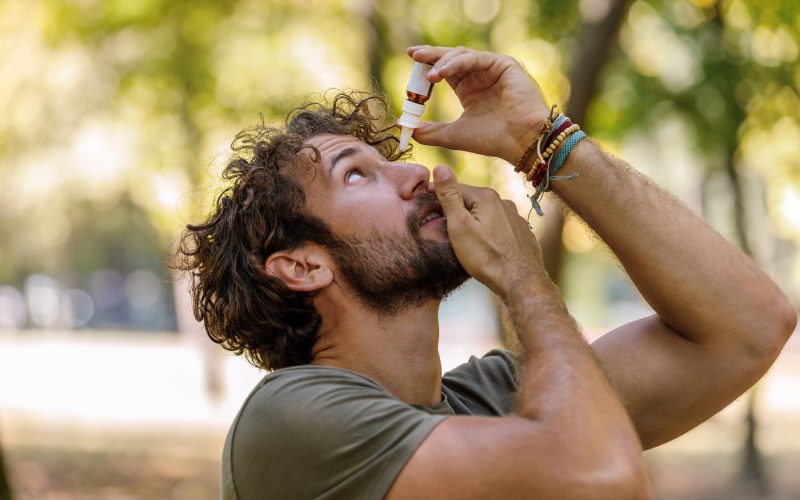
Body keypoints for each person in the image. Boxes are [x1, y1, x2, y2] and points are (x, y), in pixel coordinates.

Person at [176, 45, 796, 499]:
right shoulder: (292, 419)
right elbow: (599, 477)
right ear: (303, 265)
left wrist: (541, 142)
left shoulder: (496, 396)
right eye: (356, 173)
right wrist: (525, 282)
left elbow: (749, 325)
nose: (417, 174)